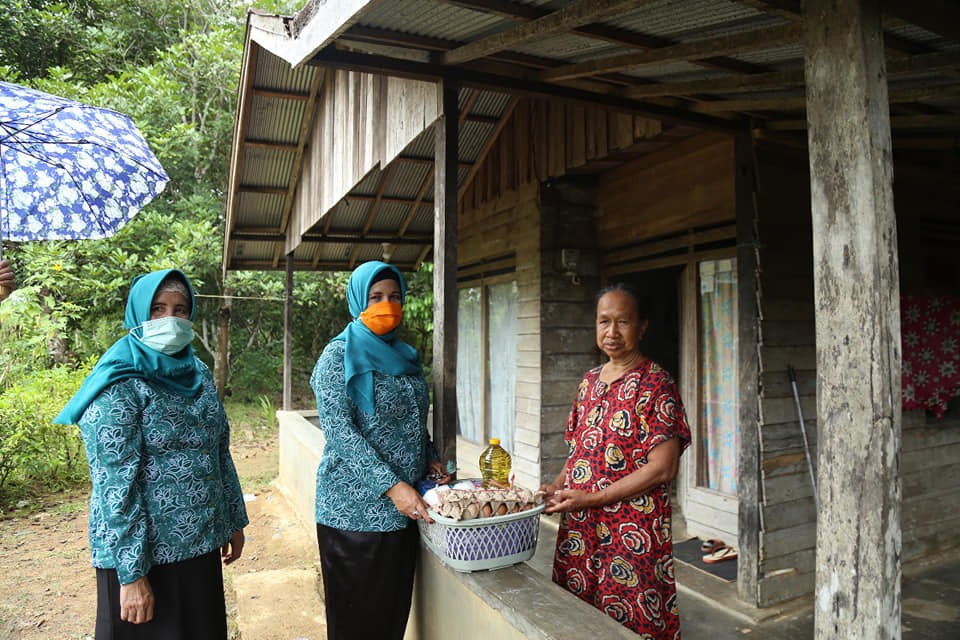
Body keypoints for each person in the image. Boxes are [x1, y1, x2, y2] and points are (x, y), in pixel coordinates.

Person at [54, 268, 248, 639]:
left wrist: (233, 520)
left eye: (180, 309)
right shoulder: (118, 381)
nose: (170, 319)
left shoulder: (199, 373)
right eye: (158, 309)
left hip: (199, 544)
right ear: (138, 315)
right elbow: (115, 485)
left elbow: (218, 452)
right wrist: (132, 575)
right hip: (145, 557)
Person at [540, 282, 691, 638]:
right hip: (580, 526)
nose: (611, 332)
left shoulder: (656, 384)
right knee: (577, 616)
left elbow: (663, 467)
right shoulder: (589, 381)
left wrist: (593, 498)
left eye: (623, 322)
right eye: (603, 321)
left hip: (631, 531)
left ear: (642, 327)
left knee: (632, 619)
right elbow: (580, 447)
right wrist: (559, 484)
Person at [310, 260, 449, 640]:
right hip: (353, 515)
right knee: (357, 624)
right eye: (375, 297)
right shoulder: (337, 357)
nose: (386, 304)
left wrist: (430, 456)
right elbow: (341, 433)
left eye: (394, 296)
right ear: (357, 301)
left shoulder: (406, 357)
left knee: (390, 618)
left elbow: (412, 422)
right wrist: (393, 486)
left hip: (403, 512)